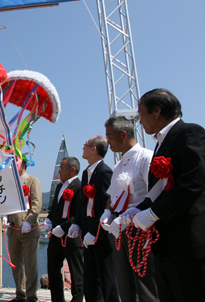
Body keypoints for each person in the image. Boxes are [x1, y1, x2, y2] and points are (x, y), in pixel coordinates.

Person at [132, 89, 205, 302]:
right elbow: (159, 191)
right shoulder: (161, 144)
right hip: (166, 246)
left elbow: (192, 185)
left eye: (141, 114)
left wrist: (153, 213)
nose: (140, 122)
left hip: (190, 245)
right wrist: (138, 210)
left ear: (157, 111)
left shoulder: (191, 133)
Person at [99, 116, 158, 302]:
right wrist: (107, 213)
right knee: (124, 283)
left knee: (145, 284)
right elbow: (112, 196)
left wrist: (129, 216)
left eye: (109, 137)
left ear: (123, 135)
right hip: (119, 229)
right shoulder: (119, 165)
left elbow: (154, 195)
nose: (107, 142)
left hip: (139, 229)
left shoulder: (146, 158)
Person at [69, 136, 120, 302]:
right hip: (87, 235)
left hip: (101, 235)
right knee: (89, 279)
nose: (83, 147)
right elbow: (83, 203)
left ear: (94, 149)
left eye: (86, 145)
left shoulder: (105, 173)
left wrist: (93, 231)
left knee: (107, 279)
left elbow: (107, 206)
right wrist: (77, 224)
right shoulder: (86, 173)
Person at [44, 157, 83, 302]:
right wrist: (48, 219)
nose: (59, 170)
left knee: (76, 271)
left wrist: (64, 227)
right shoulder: (60, 187)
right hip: (56, 236)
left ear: (72, 170)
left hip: (72, 236)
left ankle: (77, 300)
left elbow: (79, 213)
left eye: (62, 167)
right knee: (53, 270)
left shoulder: (80, 186)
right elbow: (55, 208)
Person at [6, 159, 42, 302]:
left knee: (30, 264)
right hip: (13, 230)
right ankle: (20, 294)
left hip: (29, 231)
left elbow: (37, 204)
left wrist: (28, 221)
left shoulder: (33, 181)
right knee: (16, 264)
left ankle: (32, 296)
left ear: (23, 165)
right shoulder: (9, 183)